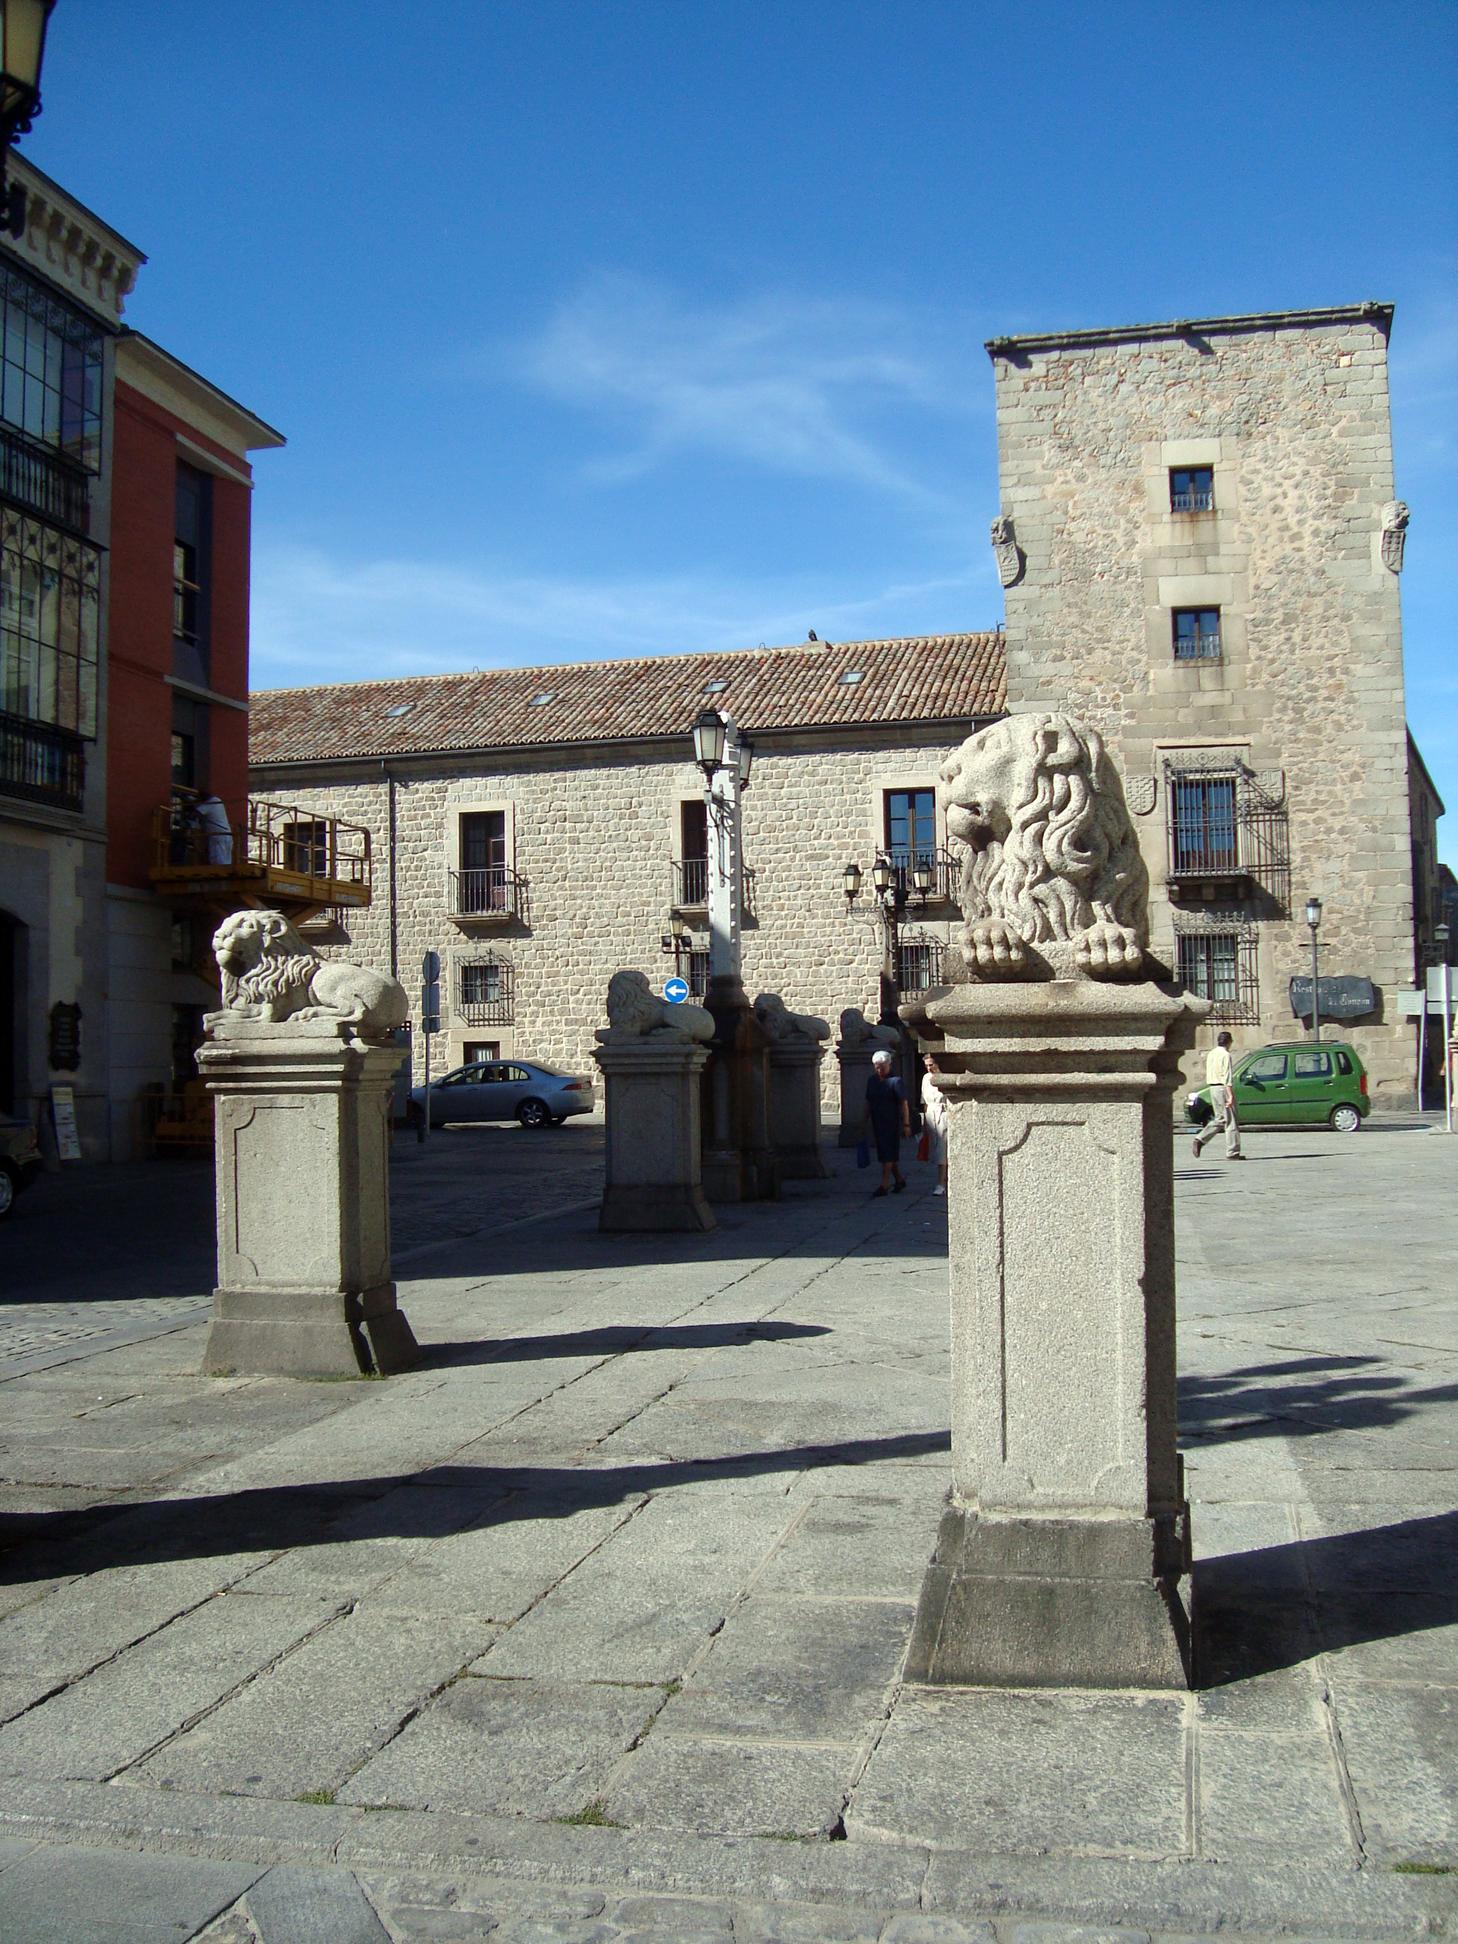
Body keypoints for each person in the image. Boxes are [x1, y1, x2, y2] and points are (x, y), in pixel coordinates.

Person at [1192, 1030, 1244, 1161]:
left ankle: (1200, 1139)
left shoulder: (1212, 1053)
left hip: (1213, 1087)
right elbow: (1227, 1076)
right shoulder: (1225, 1055)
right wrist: (1230, 1095)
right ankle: (1233, 1151)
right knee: (1231, 1120)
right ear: (1229, 1041)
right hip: (1222, 1088)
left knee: (1221, 1118)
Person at [865, 1047, 910, 1196]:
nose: (879, 1070)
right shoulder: (872, 1081)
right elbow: (868, 1101)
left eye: (882, 1068)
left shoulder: (895, 1082)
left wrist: (906, 1124)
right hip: (877, 1121)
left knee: (888, 1152)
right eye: (877, 1068)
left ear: (889, 1065)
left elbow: (904, 1103)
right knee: (884, 1152)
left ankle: (884, 1185)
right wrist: (863, 1119)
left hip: (892, 1122)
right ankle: (899, 1179)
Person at [920, 1051, 950, 1195]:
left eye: (931, 1065)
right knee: (937, 1148)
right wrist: (925, 1124)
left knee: (942, 1150)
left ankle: (941, 1183)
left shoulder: (945, 1077)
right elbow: (924, 1101)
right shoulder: (926, 1078)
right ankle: (945, 1179)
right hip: (931, 1114)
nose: (929, 1068)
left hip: (943, 1113)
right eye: (926, 1065)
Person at [194, 792, 233, 866]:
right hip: (226, 834)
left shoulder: (211, 803)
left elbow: (196, 813)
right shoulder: (217, 801)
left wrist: (192, 805)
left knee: (218, 860)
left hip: (218, 836)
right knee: (226, 861)